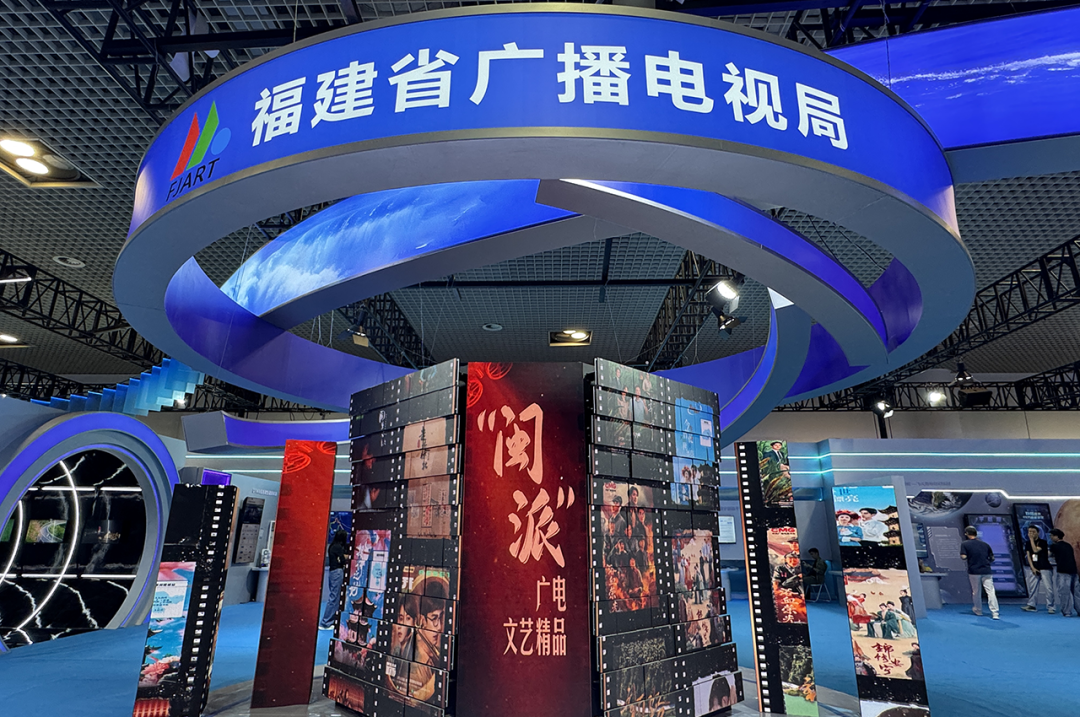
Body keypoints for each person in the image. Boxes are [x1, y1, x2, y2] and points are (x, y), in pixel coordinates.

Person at [960, 526, 998, 619]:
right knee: (990, 591)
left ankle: (978, 610)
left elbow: (963, 557)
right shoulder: (985, 544)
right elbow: (992, 558)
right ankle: (995, 612)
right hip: (986, 570)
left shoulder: (965, 544)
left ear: (967, 534)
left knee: (976, 592)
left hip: (974, 571)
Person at [1022, 525, 1056, 613]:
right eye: (1029, 532)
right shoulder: (1027, 543)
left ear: (1038, 533)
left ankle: (1051, 606)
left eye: (1033, 532)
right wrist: (1032, 567)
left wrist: (1031, 540)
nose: (1031, 534)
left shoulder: (1043, 542)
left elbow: (1035, 550)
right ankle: (1031, 605)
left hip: (1045, 567)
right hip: (1035, 567)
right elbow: (1029, 556)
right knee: (1032, 587)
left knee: (1048, 588)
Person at [320, 530, 349, 629]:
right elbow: (343, 559)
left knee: (335, 596)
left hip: (333, 572)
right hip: (337, 572)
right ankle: (326, 622)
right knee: (334, 597)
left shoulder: (332, 546)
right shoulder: (338, 547)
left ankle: (331, 620)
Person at [1049, 528, 1080, 617]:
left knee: (1064, 593)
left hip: (1063, 571)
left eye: (1052, 536)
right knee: (1077, 593)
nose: (1051, 538)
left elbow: (1048, 555)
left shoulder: (1054, 546)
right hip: (1073, 571)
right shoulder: (1068, 545)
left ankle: (1067, 611)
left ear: (1056, 536)